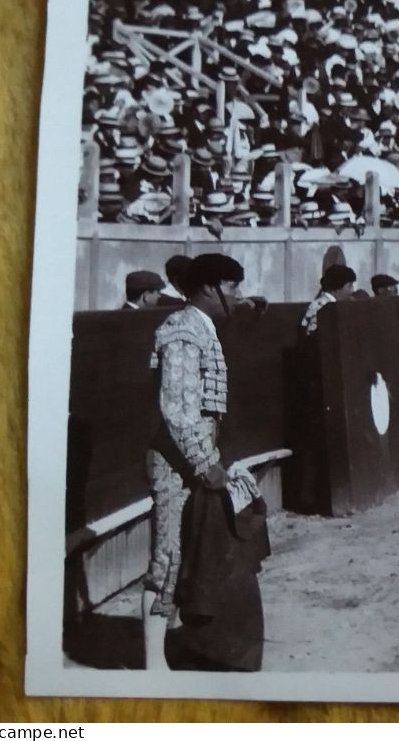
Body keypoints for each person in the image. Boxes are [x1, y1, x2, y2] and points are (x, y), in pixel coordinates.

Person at [141, 253, 247, 670]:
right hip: (177, 462)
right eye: (233, 286)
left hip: (191, 457)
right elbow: (178, 410)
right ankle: (153, 663)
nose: (237, 295)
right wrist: (205, 463)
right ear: (209, 287)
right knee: (168, 556)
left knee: (189, 552)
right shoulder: (184, 330)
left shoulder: (199, 327)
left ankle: (171, 650)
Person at [300, 264, 358, 337]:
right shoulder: (323, 306)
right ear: (336, 288)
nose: (352, 290)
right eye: (349, 286)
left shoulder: (329, 303)